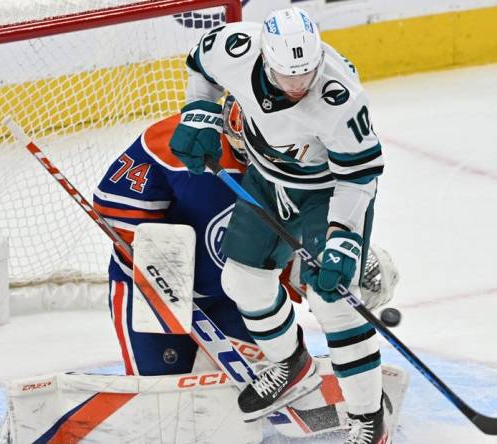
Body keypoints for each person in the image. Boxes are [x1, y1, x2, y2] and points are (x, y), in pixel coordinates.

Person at [169, 6, 387, 444]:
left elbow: (359, 176)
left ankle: (368, 416)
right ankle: (291, 363)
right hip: (266, 180)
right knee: (242, 281)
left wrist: (342, 239)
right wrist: (199, 113)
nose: (296, 86)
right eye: (288, 76)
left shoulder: (339, 96)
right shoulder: (236, 48)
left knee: (333, 303)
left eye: (305, 74)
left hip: (327, 192)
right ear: (266, 57)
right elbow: (200, 67)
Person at [93, 98, 396, 378]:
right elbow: (113, 207)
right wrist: (165, 267)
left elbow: (296, 244)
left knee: (276, 373)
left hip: (237, 297)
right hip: (152, 289)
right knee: (161, 390)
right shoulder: (179, 140)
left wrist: (330, 271)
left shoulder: (302, 161)